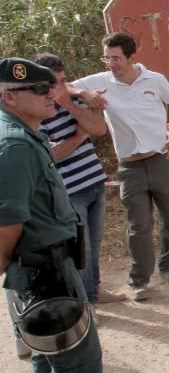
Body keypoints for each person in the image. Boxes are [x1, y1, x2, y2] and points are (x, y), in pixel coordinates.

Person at [0, 57, 148, 373]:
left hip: (45, 264)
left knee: (48, 351)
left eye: (52, 86)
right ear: (8, 97)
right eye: (40, 90)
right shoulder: (12, 145)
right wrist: (15, 272)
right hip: (42, 268)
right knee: (77, 355)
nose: (51, 94)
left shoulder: (24, 136)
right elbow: (6, 222)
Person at [74, 32, 169, 302]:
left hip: (160, 160)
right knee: (138, 226)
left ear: (132, 57)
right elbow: (61, 86)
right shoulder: (101, 81)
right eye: (107, 57)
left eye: (116, 58)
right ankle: (139, 280)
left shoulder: (154, 79)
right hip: (130, 167)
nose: (111, 63)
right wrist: (84, 92)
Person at [35, 53, 124, 305]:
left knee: (94, 245)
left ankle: (93, 291)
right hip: (69, 191)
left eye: (63, 81)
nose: (60, 88)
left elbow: (99, 129)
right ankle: (81, 302)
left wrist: (71, 105)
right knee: (78, 249)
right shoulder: (37, 113)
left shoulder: (70, 102)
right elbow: (50, 154)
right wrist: (76, 138)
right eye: (54, 83)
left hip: (94, 182)